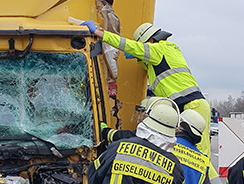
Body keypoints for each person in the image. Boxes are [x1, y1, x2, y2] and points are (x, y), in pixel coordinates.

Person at [82, 20, 212, 156]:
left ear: (149, 40)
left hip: (193, 108)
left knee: (199, 157)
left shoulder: (159, 49)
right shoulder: (163, 54)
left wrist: (99, 33)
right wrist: (139, 58)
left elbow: (129, 46)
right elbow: (147, 62)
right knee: (188, 156)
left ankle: (208, 178)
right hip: (189, 108)